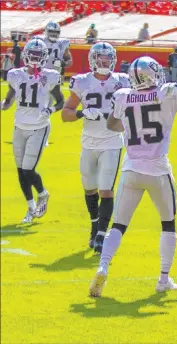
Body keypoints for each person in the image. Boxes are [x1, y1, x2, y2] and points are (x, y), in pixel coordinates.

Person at [89, 30, 177, 297]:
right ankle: (163, 278)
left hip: (131, 169)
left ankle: (104, 267)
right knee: (168, 224)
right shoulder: (166, 92)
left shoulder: (123, 96)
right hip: (157, 169)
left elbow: (111, 125)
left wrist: (132, 125)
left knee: (118, 226)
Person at [61, 42, 130, 253]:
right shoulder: (82, 82)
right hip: (88, 142)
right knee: (89, 188)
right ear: (93, 60)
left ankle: (101, 235)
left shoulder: (123, 81)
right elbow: (65, 114)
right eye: (101, 59)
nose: (105, 62)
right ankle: (94, 227)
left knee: (106, 190)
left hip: (111, 141)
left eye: (108, 59)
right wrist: (82, 113)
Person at [0, 38, 64, 223]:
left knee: (28, 169)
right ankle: (31, 208)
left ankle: (43, 193)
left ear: (44, 57)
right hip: (19, 126)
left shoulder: (50, 76)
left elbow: (60, 101)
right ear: (26, 55)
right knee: (21, 171)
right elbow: (8, 101)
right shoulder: (15, 74)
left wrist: (50, 110)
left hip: (39, 127)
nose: (35, 58)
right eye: (32, 54)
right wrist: (3, 105)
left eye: (38, 55)